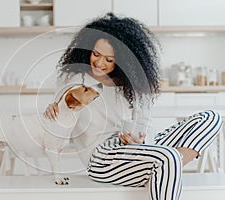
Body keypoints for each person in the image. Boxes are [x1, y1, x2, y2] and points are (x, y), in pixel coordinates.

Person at [43, 13, 223, 200]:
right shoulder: (75, 79)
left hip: (139, 150)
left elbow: (143, 123)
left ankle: (158, 168)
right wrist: (53, 110)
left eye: (109, 59)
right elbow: (62, 110)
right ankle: (162, 167)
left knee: (211, 118)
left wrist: (140, 140)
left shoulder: (134, 83)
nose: (99, 62)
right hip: (102, 156)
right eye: (95, 54)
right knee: (167, 157)